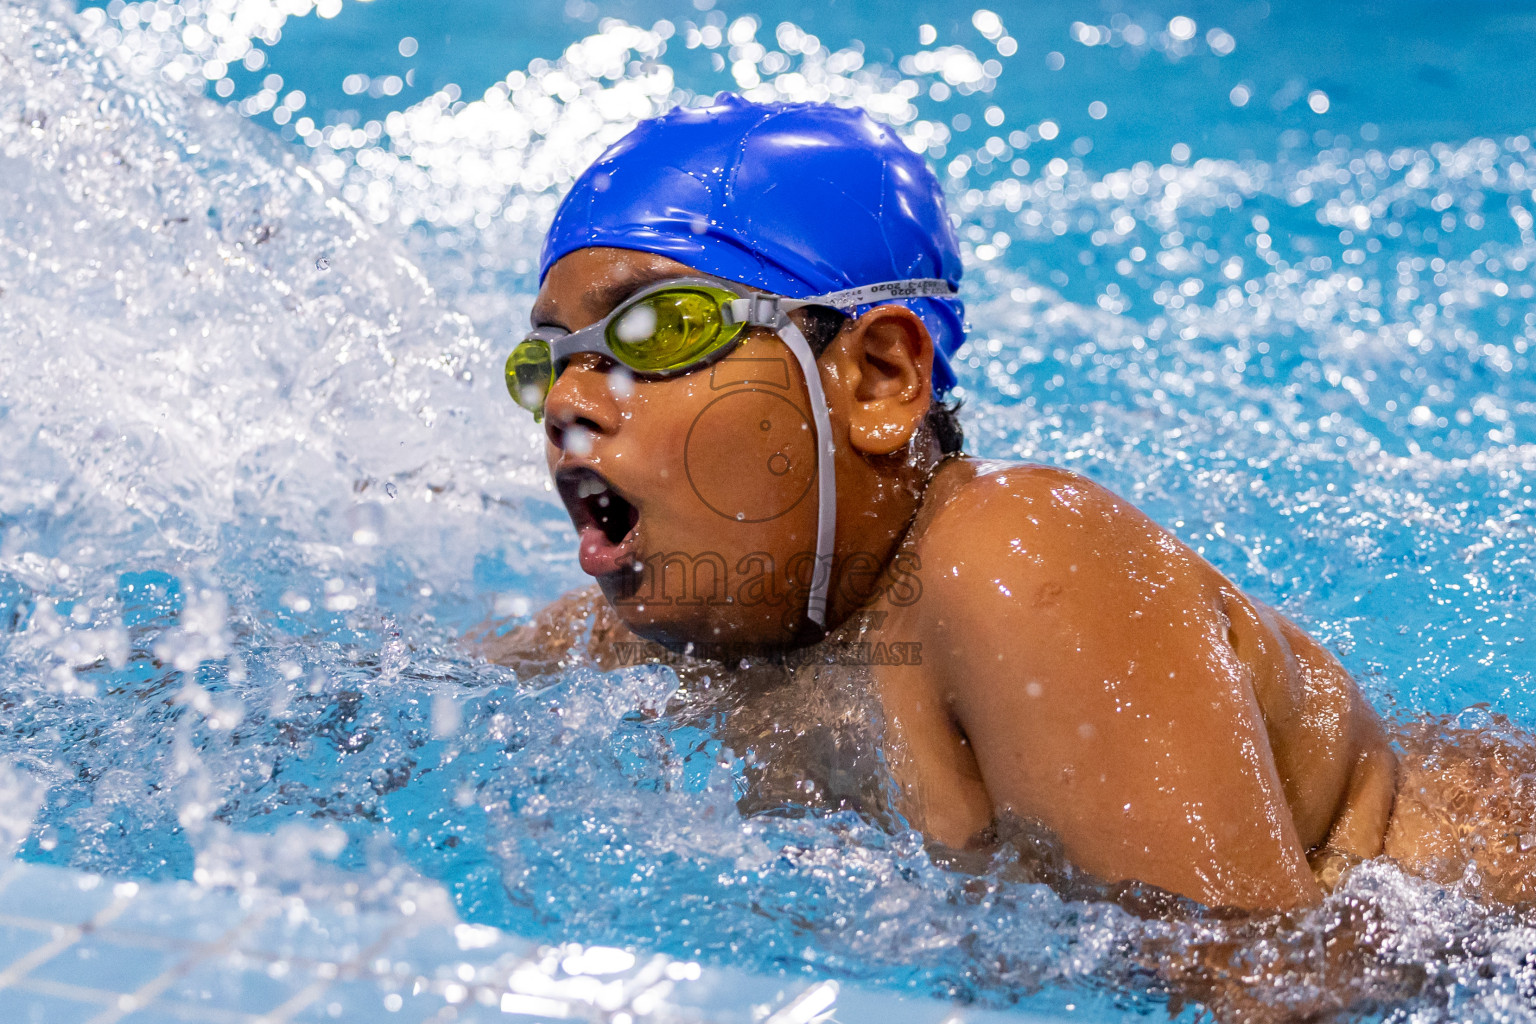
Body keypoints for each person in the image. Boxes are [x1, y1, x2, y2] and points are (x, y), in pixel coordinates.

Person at [480, 95, 1535, 913]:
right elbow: (388, 704)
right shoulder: (678, 630)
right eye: (547, 363)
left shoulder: (1018, 559)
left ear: (880, 379)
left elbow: (1276, 986)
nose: (569, 402)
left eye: (657, 333)